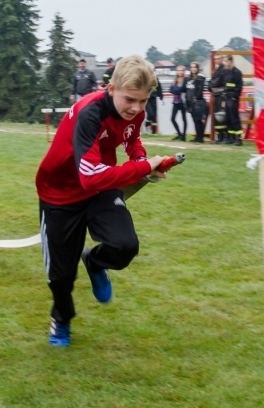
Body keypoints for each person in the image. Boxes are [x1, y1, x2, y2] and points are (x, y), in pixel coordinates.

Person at [35, 54, 169, 347]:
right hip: (59, 194)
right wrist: (144, 168)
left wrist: (142, 159)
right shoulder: (90, 114)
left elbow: (131, 139)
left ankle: (95, 262)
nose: (136, 108)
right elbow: (90, 176)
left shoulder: (135, 112)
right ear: (111, 89)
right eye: (130, 100)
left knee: (125, 245)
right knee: (60, 277)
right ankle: (62, 318)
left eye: (143, 101)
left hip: (99, 190)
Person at [221, 54, 244, 146]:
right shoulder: (225, 72)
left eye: (226, 61)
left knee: (234, 118)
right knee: (228, 118)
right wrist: (224, 98)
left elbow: (239, 86)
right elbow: (225, 85)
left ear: (231, 61)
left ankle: (238, 138)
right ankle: (230, 137)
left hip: (233, 98)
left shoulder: (237, 72)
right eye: (224, 61)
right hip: (226, 97)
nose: (225, 63)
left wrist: (234, 96)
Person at [186, 61, 207, 143]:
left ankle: (200, 138)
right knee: (194, 120)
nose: (193, 69)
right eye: (191, 67)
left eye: (195, 67)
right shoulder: (188, 79)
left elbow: (200, 90)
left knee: (198, 120)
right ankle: (197, 137)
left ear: (198, 68)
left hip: (198, 102)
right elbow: (187, 90)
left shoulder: (200, 78)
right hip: (190, 102)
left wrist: (195, 99)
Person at [208, 53, 227, 143]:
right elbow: (211, 82)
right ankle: (219, 135)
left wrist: (212, 84)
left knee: (222, 116)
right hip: (215, 95)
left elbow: (217, 82)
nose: (217, 60)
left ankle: (224, 136)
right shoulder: (215, 70)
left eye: (219, 58)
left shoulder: (223, 70)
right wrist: (211, 85)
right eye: (215, 59)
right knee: (216, 116)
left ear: (222, 59)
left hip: (222, 96)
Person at [168, 65, 188, 141]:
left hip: (182, 102)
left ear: (184, 71)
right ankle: (179, 134)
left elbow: (182, 89)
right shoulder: (175, 80)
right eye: (178, 70)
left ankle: (184, 136)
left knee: (184, 119)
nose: (180, 72)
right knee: (172, 119)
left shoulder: (186, 79)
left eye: (181, 70)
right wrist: (177, 90)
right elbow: (171, 89)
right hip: (176, 102)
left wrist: (176, 90)